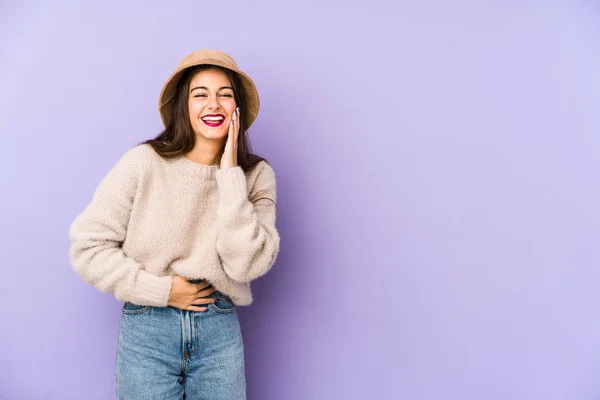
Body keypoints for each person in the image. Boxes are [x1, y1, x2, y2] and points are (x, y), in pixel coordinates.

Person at [68, 49, 280, 399]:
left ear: (237, 109)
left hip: (219, 330)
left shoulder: (256, 175)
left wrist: (229, 175)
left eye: (224, 94)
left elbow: (247, 264)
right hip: (148, 328)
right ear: (184, 106)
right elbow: (87, 247)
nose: (213, 104)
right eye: (200, 95)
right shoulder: (143, 163)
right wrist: (162, 291)